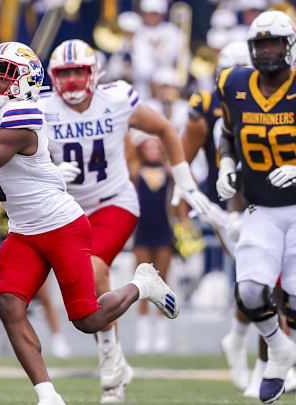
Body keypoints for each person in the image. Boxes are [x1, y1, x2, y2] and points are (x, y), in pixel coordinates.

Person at [0, 41, 180, 405]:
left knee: (87, 318)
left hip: (61, 226)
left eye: (3, 76)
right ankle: (47, 395)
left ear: (26, 81)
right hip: (24, 230)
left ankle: (141, 284)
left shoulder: (24, 114)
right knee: (8, 304)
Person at [37, 39, 210, 403]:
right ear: (53, 76)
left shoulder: (116, 100)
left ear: (93, 73)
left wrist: (182, 178)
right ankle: (115, 355)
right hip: (65, 208)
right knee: (83, 298)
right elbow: (18, 156)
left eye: (76, 72)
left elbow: (164, 128)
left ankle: (110, 361)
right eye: (63, 73)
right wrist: (51, 171)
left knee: (91, 270)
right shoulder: (40, 108)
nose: (69, 80)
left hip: (113, 202)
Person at [215, 10, 296, 404]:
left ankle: (282, 361)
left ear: (289, 46)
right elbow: (227, 132)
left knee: (294, 300)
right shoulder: (234, 82)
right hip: (260, 207)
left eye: (273, 43)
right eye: (260, 45)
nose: (266, 52)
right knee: (248, 293)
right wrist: (227, 163)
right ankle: (278, 349)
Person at [182, 40, 253, 390]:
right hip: (229, 207)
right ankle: (252, 352)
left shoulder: (281, 99)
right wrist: (197, 205)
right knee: (258, 284)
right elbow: (180, 163)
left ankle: (251, 350)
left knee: (275, 284)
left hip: (275, 199)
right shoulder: (207, 108)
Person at [131, 137, 173, 354]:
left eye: (157, 146)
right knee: (142, 281)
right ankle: (144, 333)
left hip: (164, 229)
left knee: (162, 280)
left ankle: (162, 332)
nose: (153, 150)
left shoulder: (168, 170)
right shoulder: (136, 170)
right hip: (143, 231)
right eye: (149, 146)